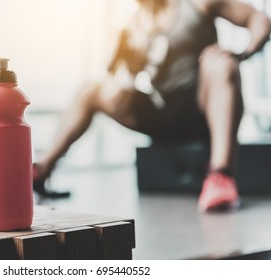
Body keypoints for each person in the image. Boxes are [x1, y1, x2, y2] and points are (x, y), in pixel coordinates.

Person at [32, 0, 271, 211]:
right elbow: (117, 77)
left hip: (203, 108)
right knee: (93, 90)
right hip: (162, 112)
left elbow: (258, 18)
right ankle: (40, 172)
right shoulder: (133, 26)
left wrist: (243, 54)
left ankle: (221, 176)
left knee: (220, 64)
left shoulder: (198, 3)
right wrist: (124, 73)